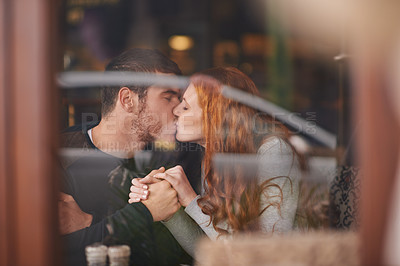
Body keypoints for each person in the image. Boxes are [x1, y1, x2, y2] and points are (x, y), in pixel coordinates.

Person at [129, 67, 303, 256]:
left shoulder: (274, 152)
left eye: (185, 106)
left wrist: (190, 199)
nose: (176, 111)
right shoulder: (216, 156)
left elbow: (266, 254)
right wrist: (170, 210)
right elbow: (209, 251)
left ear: (216, 115)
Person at [59, 48, 203, 266]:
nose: (178, 109)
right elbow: (56, 250)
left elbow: (182, 251)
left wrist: (92, 224)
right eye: (168, 97)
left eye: (179, 98)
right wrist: (147, 214)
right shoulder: (63, 153)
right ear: (127, 100)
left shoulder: (178, 158)